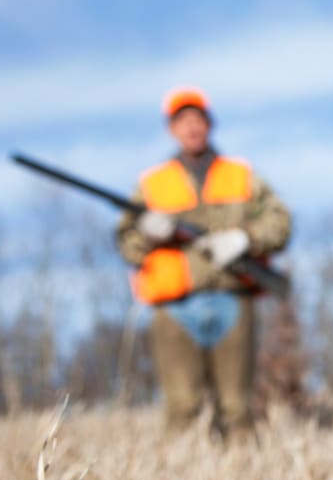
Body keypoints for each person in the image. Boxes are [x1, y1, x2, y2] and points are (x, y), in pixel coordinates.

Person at [116, 86, 291, 438]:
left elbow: (280, 223)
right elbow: (127, 244)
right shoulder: (152, 183)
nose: (191, 127)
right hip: (175, 307)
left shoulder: (242, 174)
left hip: (233, 298)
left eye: (197, 119)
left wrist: (246, 239)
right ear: (171, 129)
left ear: (209, 124)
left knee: (238, 410)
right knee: (181, 409)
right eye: (183, 121)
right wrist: (149, 232)